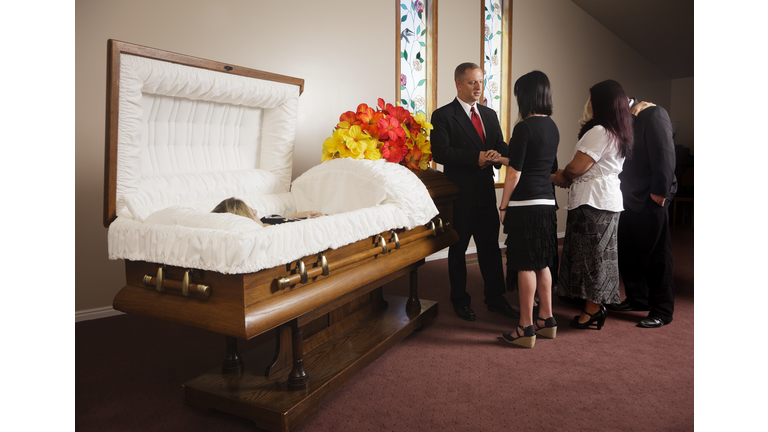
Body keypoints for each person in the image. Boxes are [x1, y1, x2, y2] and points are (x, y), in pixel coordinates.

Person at [430, 62, 519, 321]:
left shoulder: (489, 115)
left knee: (490, 248)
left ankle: (495, 298)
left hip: (485, 193)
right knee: (457, 251)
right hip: (459, 195)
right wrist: (476, 157)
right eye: (472, 82)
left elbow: (501, 146)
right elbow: (441, 152)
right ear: (458, 84)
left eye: (480, 81)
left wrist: (497, 154)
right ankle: (459, 300)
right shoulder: (443, 115)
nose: (478, 87)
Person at [553, 79, 633, 331]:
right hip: (605, 199)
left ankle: (592, 309)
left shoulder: (600, 131)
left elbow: (577, 167)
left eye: (591, 99)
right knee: (598, 255)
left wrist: (559, 176)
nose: (588, 104)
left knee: (592, 258)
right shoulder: (617, 129)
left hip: (594, 201)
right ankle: (593, 304)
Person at [497, 70, 560, 348]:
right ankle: (546, 319)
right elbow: (550, 167)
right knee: (543, 261)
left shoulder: (523, 127)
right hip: (547, 205)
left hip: (524, 205)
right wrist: (502, 157)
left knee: (524, 264)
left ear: (526, 96)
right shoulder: (552, 127)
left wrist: (503, 204)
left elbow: (514, 173)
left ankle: (525, 326)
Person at [609, 99, 677, 328]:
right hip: (625, 197)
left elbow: (665, 154)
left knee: (656, 255)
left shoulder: (653, 113)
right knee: (628, 252)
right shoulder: (621, 120)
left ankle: (663, 310)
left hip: (651, 197)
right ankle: (638, 298)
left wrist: (659, 193)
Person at [212, 197, 324, 226]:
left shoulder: (265, 219)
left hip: (318, 218)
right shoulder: (265, 234)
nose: (256, 211)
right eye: (252, 212)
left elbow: (284, 221)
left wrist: (296, 215)